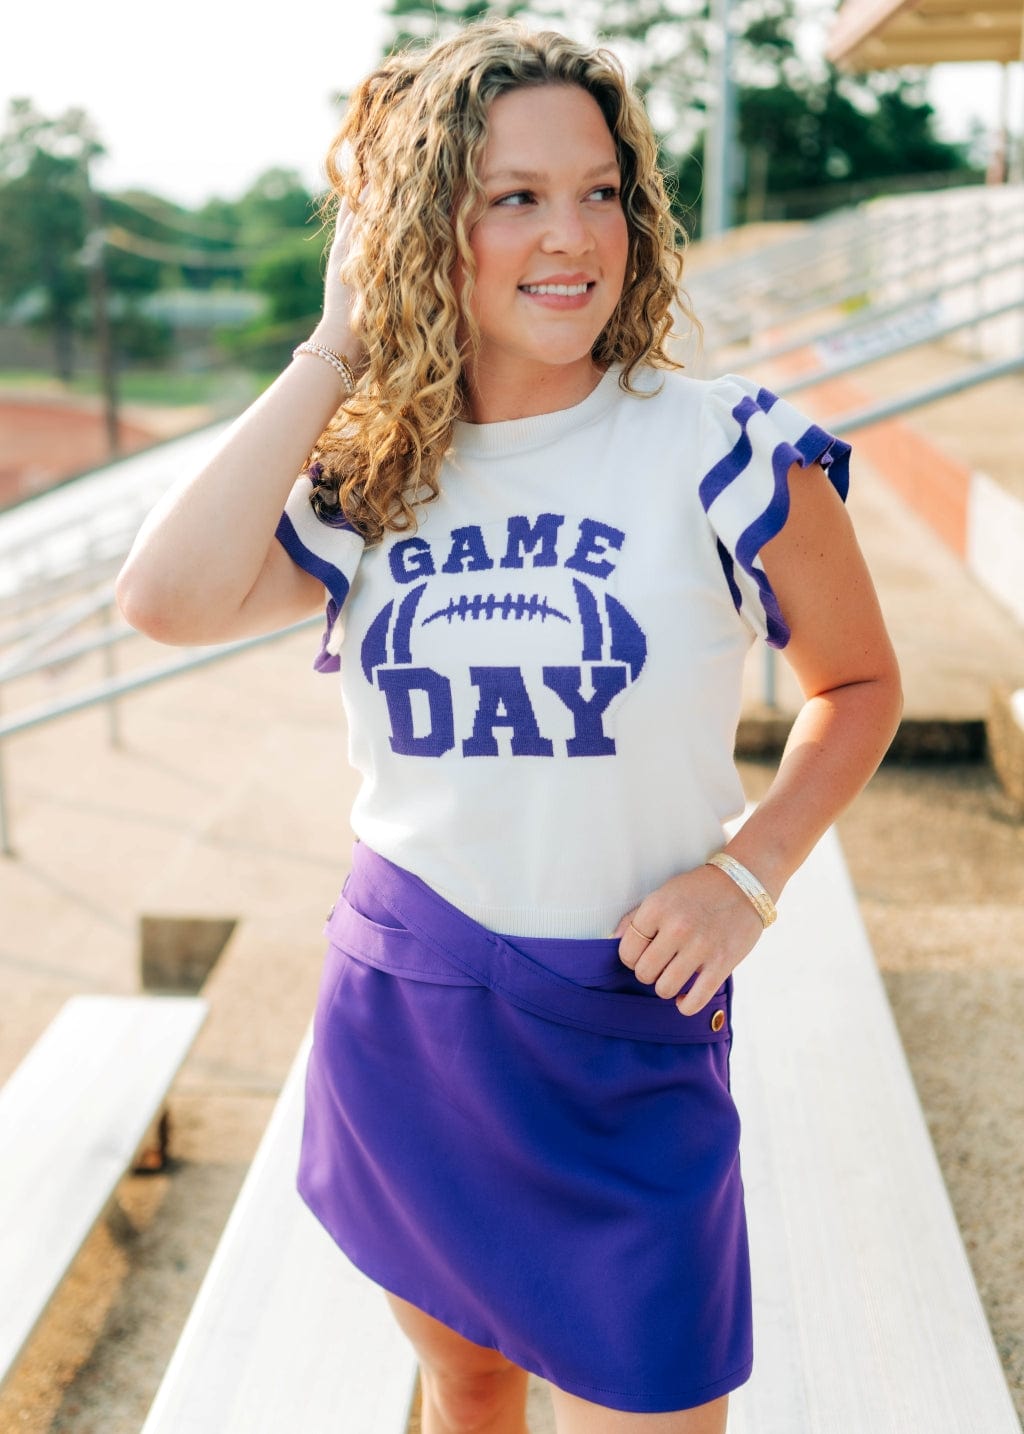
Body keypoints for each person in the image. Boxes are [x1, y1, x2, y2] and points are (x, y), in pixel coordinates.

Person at [116, 19, 902, 1434]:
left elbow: (861, 687)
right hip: (408, 1016)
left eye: (600, 189)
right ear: (430, 227)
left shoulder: (723, 446)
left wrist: (746, 876)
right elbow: (162, 600)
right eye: (515, 196)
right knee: (466, 1385)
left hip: (625, 1026)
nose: (573, 234)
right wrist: (337, 340)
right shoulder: (376, 475)